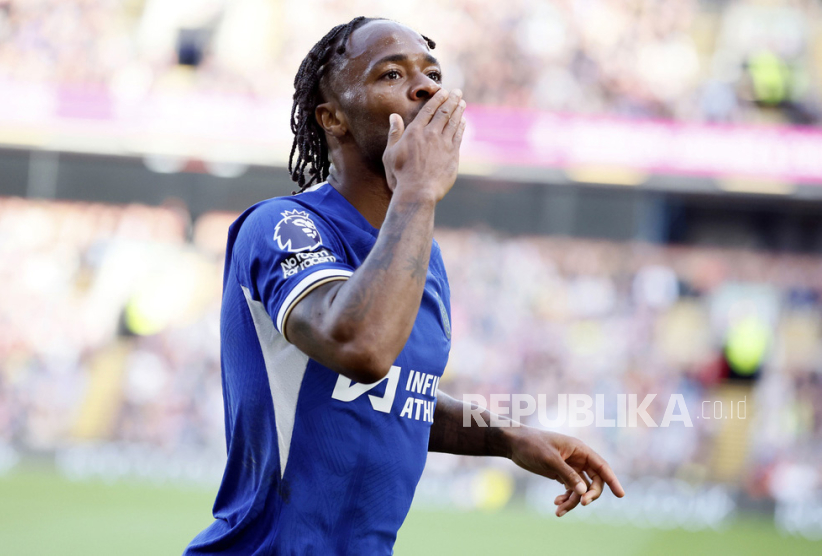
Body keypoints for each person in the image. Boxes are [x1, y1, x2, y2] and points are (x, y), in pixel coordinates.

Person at [185, 16, 625, 555]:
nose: (426, 88)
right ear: (332, 118)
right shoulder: (283, 225)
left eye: (433, 74)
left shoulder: (421, 254)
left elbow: (395, 397)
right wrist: (416, 190)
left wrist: (506, 436)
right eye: (391, 74)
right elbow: (360, 349)